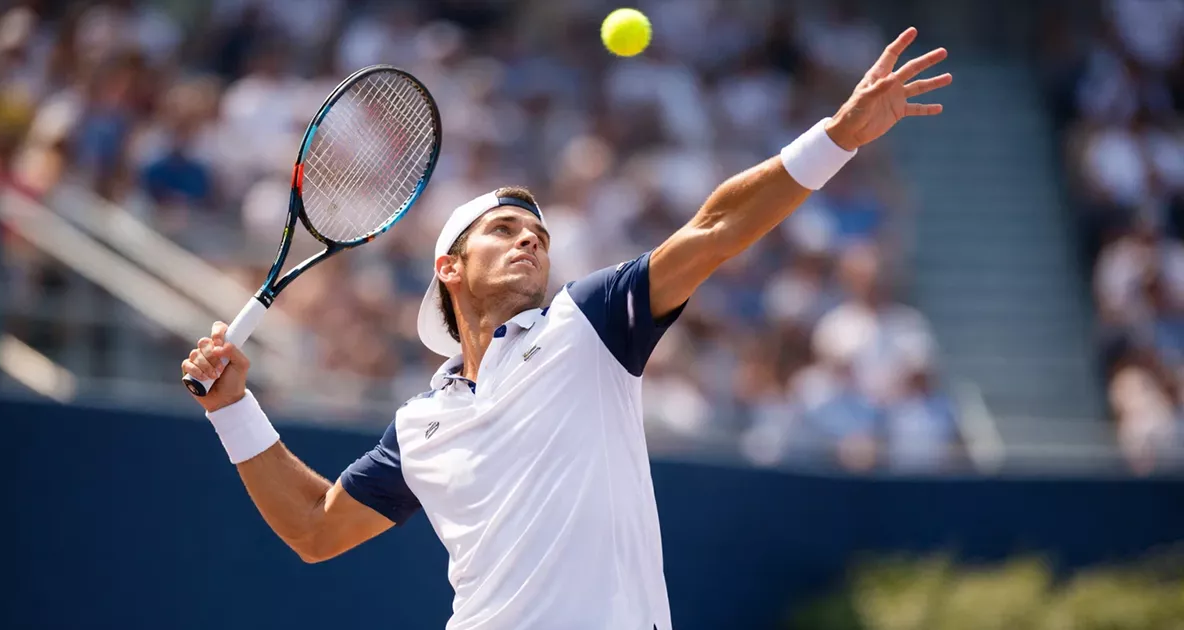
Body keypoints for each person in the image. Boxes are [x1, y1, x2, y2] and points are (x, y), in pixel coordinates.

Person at [180, 27, 950, 630]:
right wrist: (231, 410)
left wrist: (838, 137)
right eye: (506, 229)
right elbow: (316, 530)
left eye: (538, 235)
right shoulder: (418, 426)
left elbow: (713, 230)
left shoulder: (591, 324)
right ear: (449, 267)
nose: (531, 241)